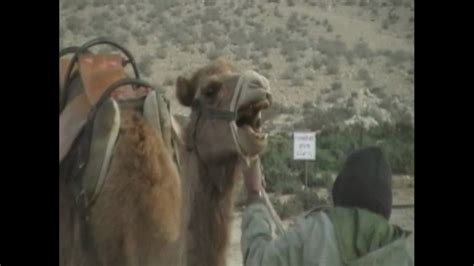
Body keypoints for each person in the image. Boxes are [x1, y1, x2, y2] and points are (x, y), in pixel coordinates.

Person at [241, 147, 414, 266]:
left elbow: (259, 261)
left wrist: (255, 194)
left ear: (341, 189)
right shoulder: (406, 252)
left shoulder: (314, 233)